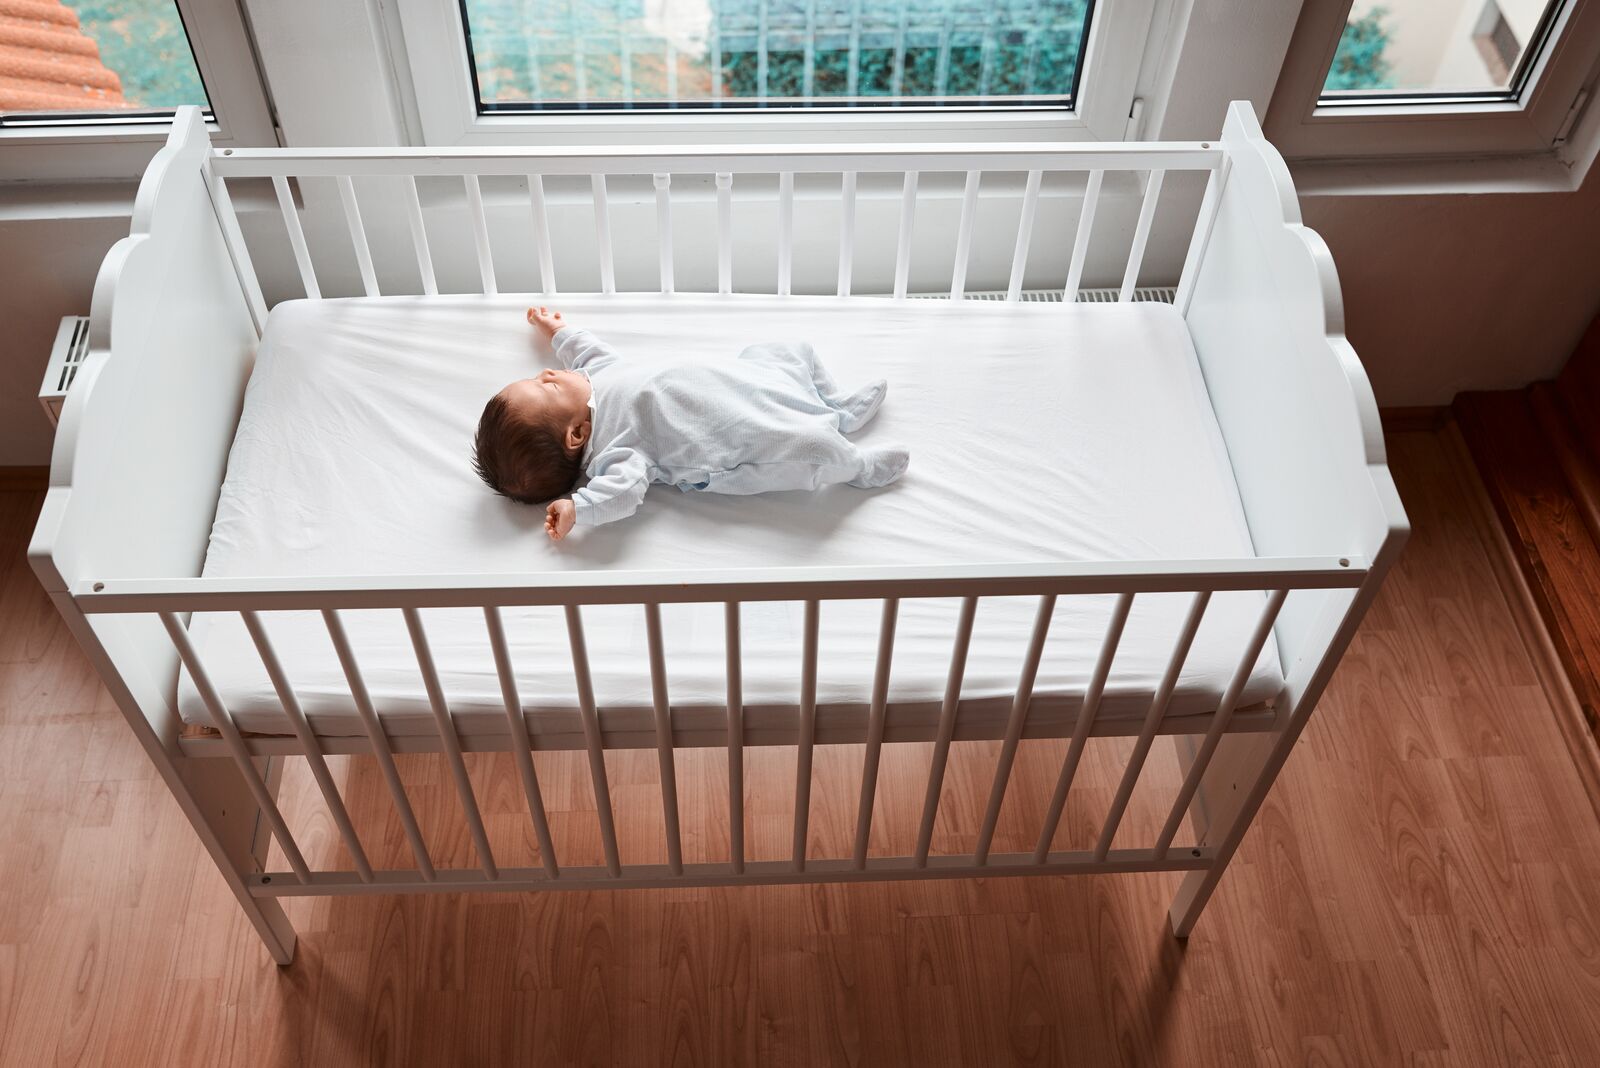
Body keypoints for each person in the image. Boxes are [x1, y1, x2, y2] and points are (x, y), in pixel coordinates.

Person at [473, 307, 909, 540]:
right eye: (545, 387)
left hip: (741, 381)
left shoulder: (598, 377)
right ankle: (859, 468)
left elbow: (588, 354)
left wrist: (561, 333)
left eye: (537, 375)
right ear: (577, 434)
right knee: (812, 446)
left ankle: (838, 408)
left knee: (789, 348)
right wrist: (578, 508)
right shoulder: (617, 451)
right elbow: (620, 496)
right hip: (739, 437)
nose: (547, 374)